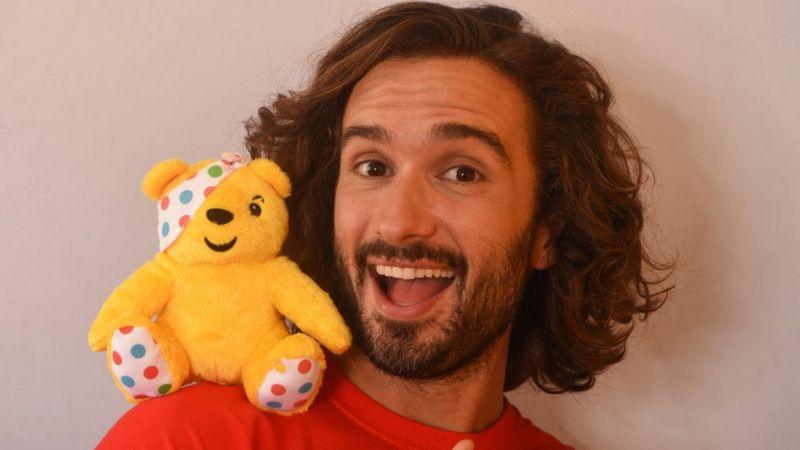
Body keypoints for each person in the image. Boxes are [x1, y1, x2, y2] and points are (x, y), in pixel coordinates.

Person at [96, 2, 675, 449]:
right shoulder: (188, 439)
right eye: (372, 166)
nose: (399, 223)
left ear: (548, 230)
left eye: (462, 172)